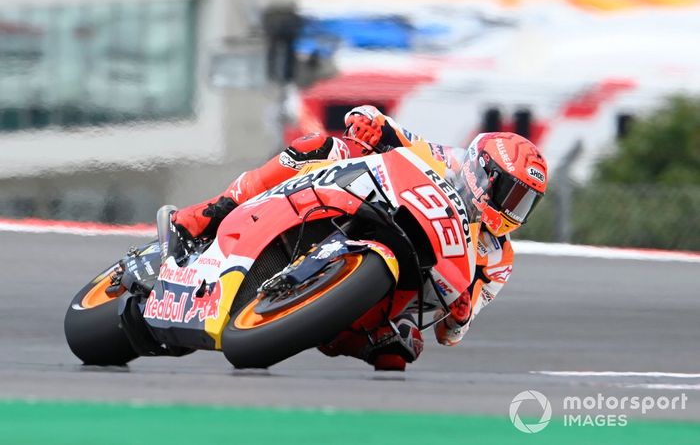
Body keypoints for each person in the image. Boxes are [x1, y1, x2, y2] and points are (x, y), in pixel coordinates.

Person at [172, 105, 548, 370]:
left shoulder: (499, 259)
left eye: (526, 202)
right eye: (512, 195)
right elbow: (385, 128)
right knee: (321, 146)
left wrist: (461, 317)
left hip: (398, 293)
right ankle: (211, 210)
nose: (515, 210)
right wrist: (369, 124)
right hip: (373, 212)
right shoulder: (447, 160)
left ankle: (328, 320)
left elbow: (451, 336)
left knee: (400, 351)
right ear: (483, 174)